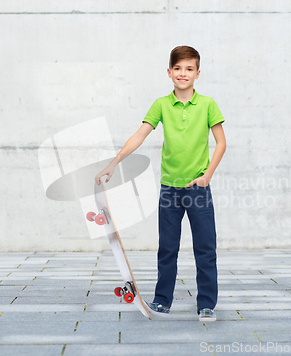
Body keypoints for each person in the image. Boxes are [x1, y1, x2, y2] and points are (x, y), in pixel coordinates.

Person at [95, 45, 226, 322]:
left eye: (189, 69)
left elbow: (221, 143)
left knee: (205, 249)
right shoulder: (161, 104)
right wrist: (114, 161)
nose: (183, 73)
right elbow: (139, 135)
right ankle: (162, 301)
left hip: (198, 189)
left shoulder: (208, 104)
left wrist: (207, 176)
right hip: (170, 189)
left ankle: (206, 304)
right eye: (178, 68)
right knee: (167, 248)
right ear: (169, 72)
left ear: (197, 73)